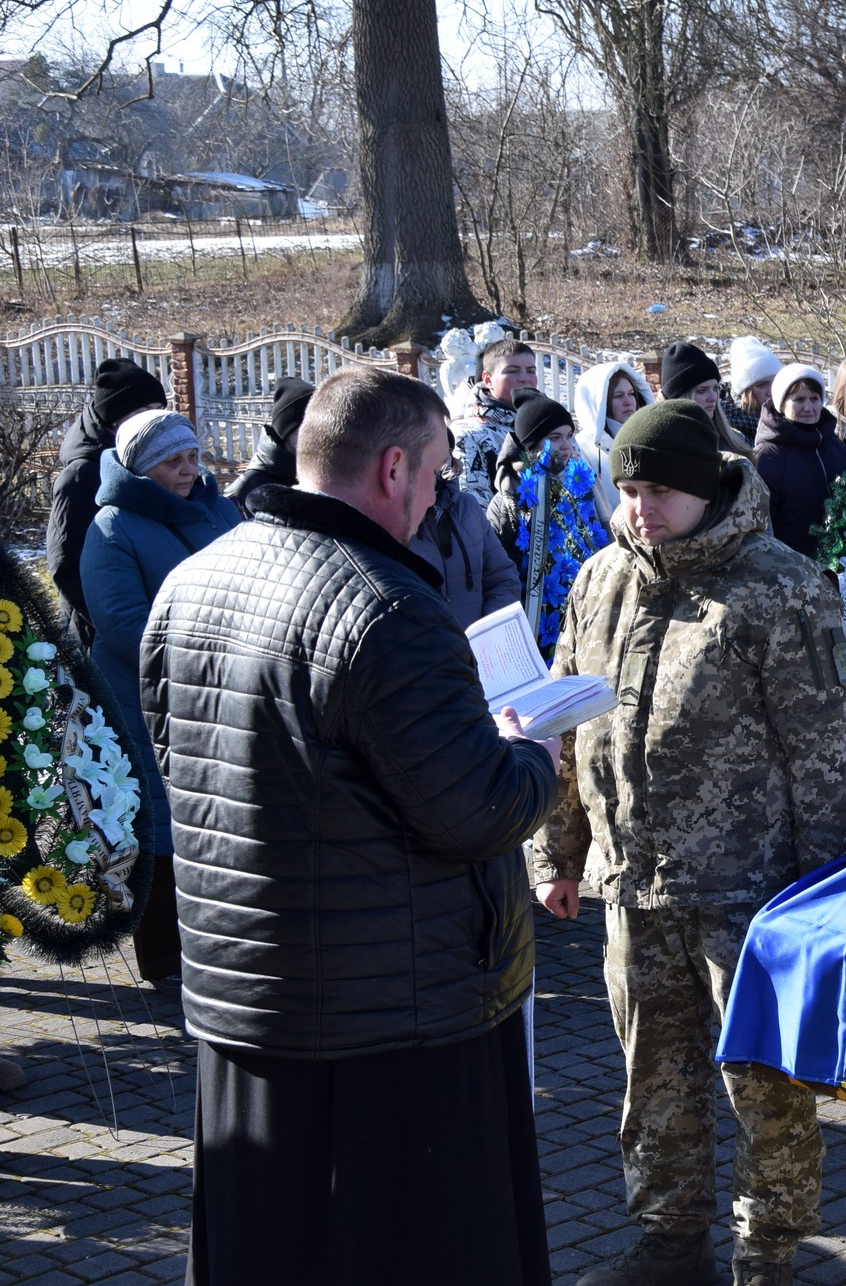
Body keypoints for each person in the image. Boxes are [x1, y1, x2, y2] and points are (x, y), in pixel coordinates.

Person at [141, 365, 561, 1286]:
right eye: (439, 474)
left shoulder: (193, 581)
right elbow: (474, 806)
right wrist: (530, 756)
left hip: (244, 1007)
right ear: (395, 468)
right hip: (390, 1033)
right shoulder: (388, 609)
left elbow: (182, 767)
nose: (436, 500)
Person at [528, 399, 846, 1286]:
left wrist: (831, 903)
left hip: (750, 895)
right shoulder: (602, 580)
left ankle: (769, 1254)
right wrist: (557, 855)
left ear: (709, 486)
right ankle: (671, 1242)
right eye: (629, 490)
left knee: (764, 1091)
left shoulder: (779, 587)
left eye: (661, 491)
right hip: (633, 887)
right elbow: (565, 722)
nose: (642, 508)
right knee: (654, 1083)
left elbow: (822, 755)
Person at [80, 408, 241, 987]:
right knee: (159, 832)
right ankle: (165, 962)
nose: (187, 470)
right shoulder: (112, 528)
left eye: (193, 456)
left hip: (220, 690)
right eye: (173, 461)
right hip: (145, 702)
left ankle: (220, 948)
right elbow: (123, 622)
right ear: (141, 467)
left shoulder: (219, 510)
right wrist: (210, 650)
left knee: (218, 824)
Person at [47, 357, 167, 642]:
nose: (154, 420)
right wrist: (111, 626)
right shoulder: (78, 476)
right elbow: (65, 565)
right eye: (143, 411)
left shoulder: (150, 459)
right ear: (114, 418)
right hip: (98, 634)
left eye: (159, 410)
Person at [487, 389, 611, 656]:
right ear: (530, 446)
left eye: (568, 436)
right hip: (538, 625)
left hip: (590, 611)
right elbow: (499, 572)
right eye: (554, 438)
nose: (566, 446)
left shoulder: (582, 486)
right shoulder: (510, 500)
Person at [410, 432, 521, 630]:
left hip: (478, 652)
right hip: (429, 655)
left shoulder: (468, 508)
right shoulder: (399, 519)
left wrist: (487, 633)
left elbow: (502, 577)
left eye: (446, 456)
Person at [752, 363, 846, 559]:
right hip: (793, 573)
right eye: (798, 399)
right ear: (782, 404)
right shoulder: (767, 458)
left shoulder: (838, 448)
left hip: (843, 568)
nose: (808, 407)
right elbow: (760, 530)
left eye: (814, 399)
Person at [453, 337, 541, 506]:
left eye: (531, 371)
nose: (524, 378)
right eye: (512, 371)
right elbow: (473, 504)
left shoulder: (551, 424)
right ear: (487, 379)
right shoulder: (468, 434)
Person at [571, 359, 657, 522]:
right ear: (599, 402)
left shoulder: (651, 437)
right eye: (618, 396)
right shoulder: (583, 447)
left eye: (631, 394)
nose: (628, 401)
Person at [226, 377, 313, 511]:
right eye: (307, 424)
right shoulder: (246, 487)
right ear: (286, 430)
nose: (317, 432)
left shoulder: (321, 474)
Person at [658, 340, 756, 458]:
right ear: (681, 397)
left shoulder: (734, 439)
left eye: (715, 388)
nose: (713, 397)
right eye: (702, 391)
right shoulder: (662, 445)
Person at [724, 336, 782, 443]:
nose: (771, 392)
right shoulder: (729, 426)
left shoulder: (791, 416)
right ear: (745, 391)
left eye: (775, 382)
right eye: (762, 385)